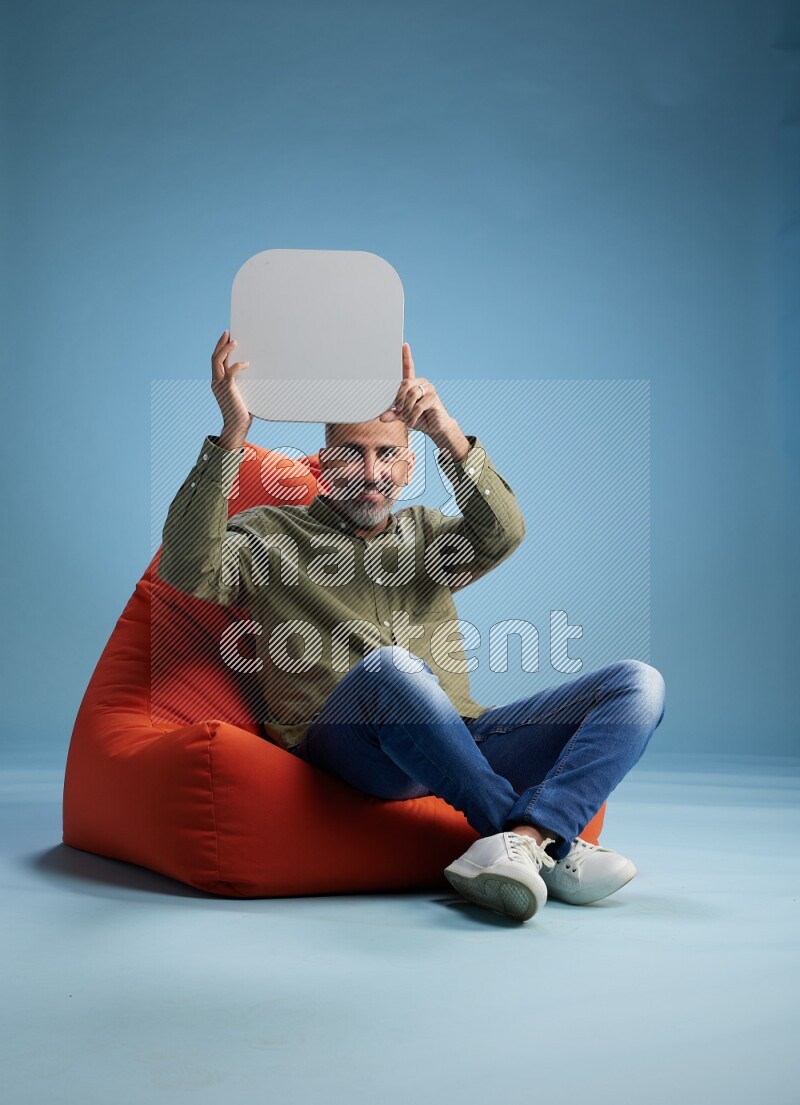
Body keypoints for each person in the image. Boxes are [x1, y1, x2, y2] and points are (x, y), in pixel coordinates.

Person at [157, 329, 666, 923]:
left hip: (458, 740)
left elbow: (503, 533)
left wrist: (446, 432)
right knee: (391, 670)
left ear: (406, 466)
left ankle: (529, 841)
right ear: (323, 464)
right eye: (351, 453)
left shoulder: (428, 534)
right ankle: (548, 844)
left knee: (638, 683)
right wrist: (232, 436)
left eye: (386, 455)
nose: (369, 472)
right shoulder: (269, 533)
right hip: (347, 748)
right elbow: (189, 569)